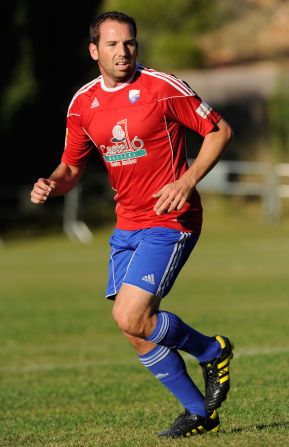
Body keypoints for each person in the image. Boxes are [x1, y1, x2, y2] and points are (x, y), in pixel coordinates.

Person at [30, 11, 234, 438]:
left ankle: (211, 350)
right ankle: (201, 413)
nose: (122, 52)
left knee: (131, 313)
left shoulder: (162, 88)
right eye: (112, 44)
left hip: (170, 218)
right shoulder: (83, 103)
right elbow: (71, 167)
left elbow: (219, 131)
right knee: (135, 329)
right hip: (127, 225)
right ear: (94, 51)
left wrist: (187, 180)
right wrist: (52, 183)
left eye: (129, 43)